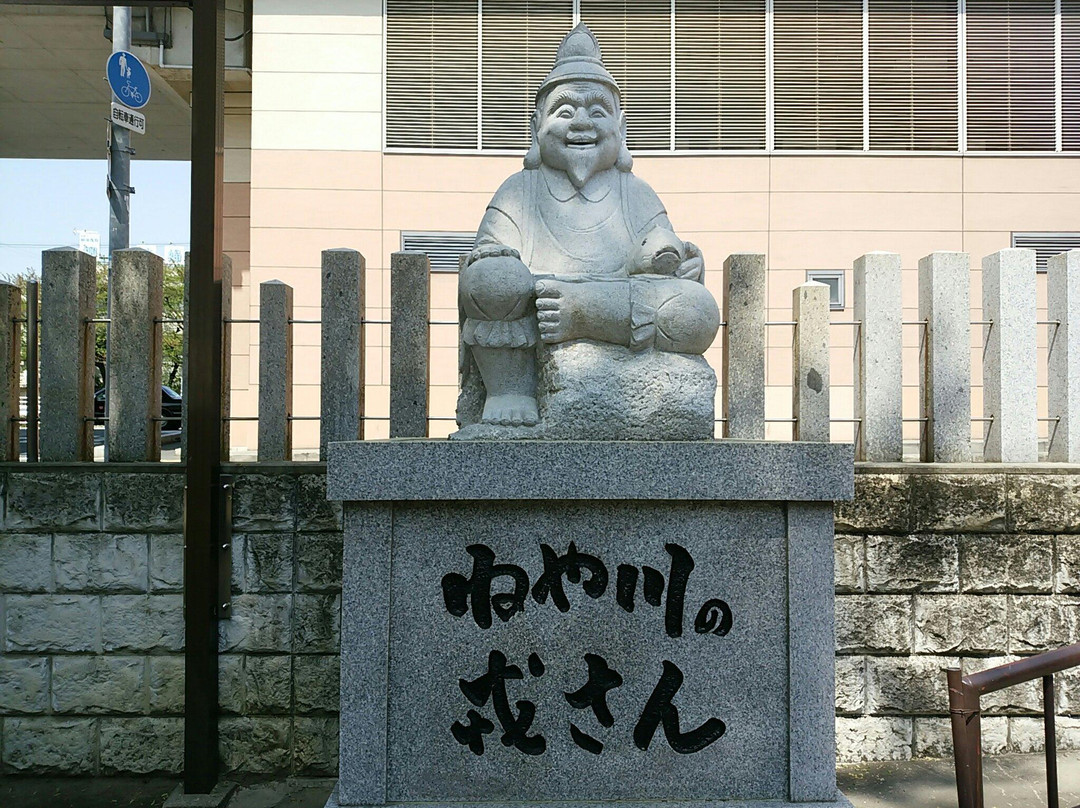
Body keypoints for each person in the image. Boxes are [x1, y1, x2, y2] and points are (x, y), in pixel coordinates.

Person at [459, 24, 720, 428]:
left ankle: (581, 313)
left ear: (622, 129)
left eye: (598, 112)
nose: (582, 122)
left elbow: (659, 252)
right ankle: (511, 389)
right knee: (490, 281)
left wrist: (682, 263)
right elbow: (486, 260)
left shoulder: (637, 193)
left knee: (698, 309)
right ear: (536, 128)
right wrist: (492, 260)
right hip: (537, 305)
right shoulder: (518, 190)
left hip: (613, 302)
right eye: (564, 112)